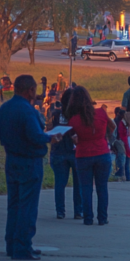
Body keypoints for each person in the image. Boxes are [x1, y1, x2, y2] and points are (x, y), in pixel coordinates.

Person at [0, 75, 61, 260]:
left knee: (14, 204)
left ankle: (11, 244)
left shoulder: (4, 108)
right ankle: (23, 246)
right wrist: (50, 137)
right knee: (28, 206)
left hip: (11, 159)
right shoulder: (27, 111)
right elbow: (35, 136)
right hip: (29, 161)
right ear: (31, 90)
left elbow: (1, 134)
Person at [66, 86, 115, 226]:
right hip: (102, 152)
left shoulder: (73, 120)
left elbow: (74, 139)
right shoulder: (101, 113)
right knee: (102, 187)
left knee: (86, 188)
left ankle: (88, 218)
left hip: (83, 154)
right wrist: (105, 136)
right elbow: (113, 126)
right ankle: (102, 218)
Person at [47, 87, 82, 219]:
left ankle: (60, 211)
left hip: (58, 150)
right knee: (78, 183)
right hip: (75, 151)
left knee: (60, 182)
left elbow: (49, 129)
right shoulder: (78, 116)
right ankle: (78, 211)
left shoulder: (55, 114)